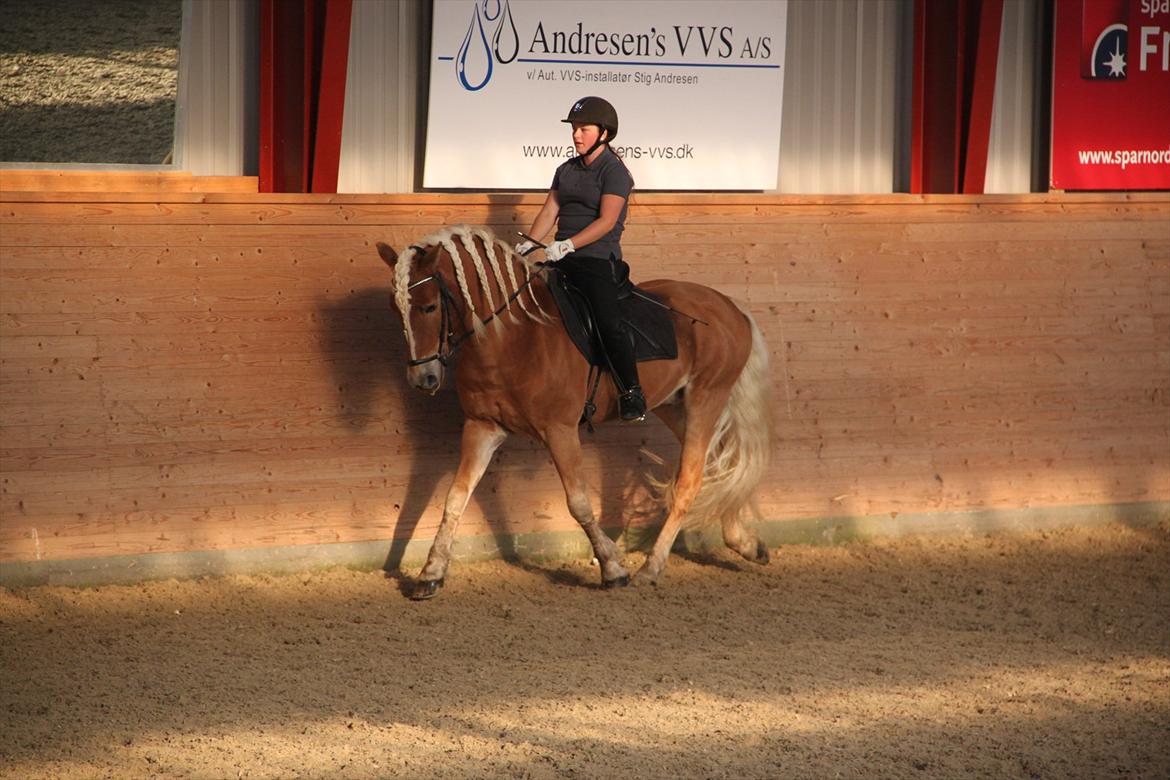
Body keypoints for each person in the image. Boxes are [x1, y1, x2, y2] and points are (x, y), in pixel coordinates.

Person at [515, 96, 646, 422]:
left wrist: (568, 244)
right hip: (563, 258)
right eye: (574, 128)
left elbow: (607, 221)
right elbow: (550, 211)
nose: (576, 135)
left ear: (603, 133)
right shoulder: (566, 170)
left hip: (597, 259)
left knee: (608, 323)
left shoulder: (615, 172)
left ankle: (632, 392)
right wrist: (530, 243)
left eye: (583, 129)